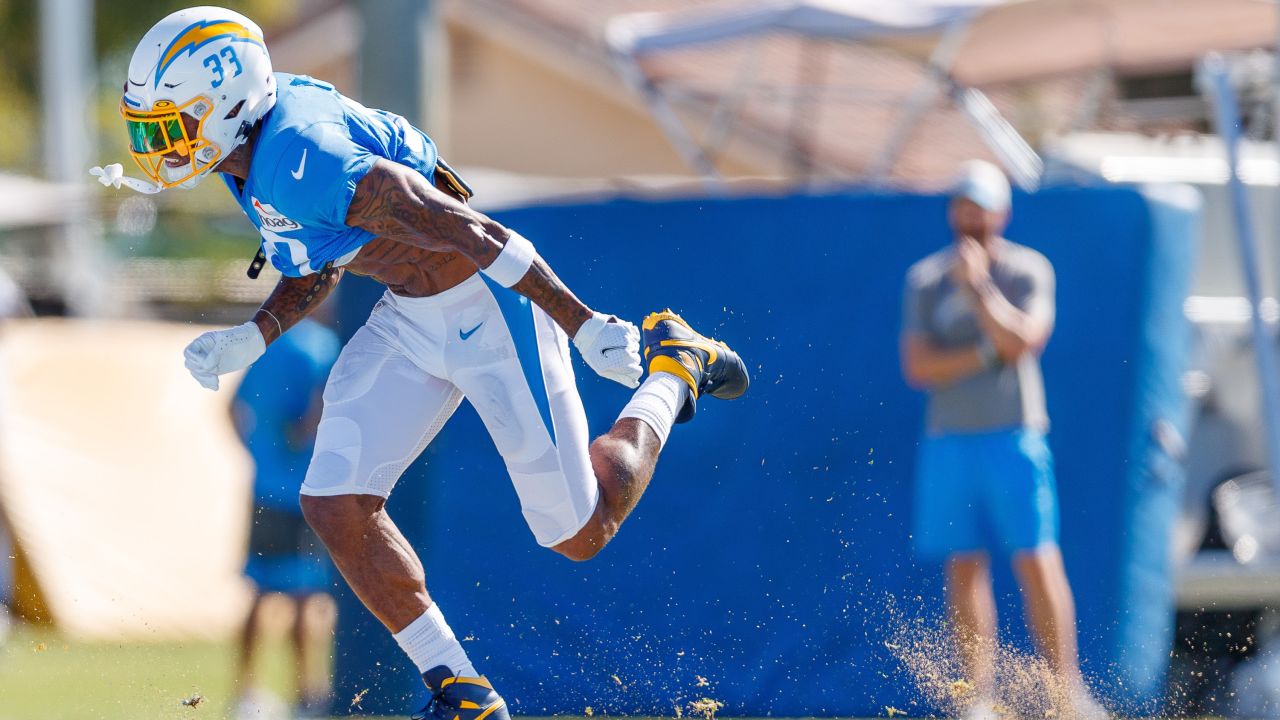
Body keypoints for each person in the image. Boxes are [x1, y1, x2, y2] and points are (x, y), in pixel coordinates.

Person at [94, 8, 748, 720]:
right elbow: (323, 249)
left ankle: (674, 369)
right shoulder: (254, 153)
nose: (161, 146)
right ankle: (463, 693)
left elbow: (468, 229)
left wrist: (582, 322)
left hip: (488, 306)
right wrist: (255, 334)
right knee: (333, 500)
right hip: (412, 316)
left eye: (172, 125)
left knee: (579, 531)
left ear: (226, 103)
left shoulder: (303, 149)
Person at [899, 160, 1103, 719]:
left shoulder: (1027, 270)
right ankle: (978, 700)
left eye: (981, 207)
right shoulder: (924, 279)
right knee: (963, 565)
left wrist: (981, 288)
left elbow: (1025, 339)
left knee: (1037, 560)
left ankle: (1066, 696)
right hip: (950, 440)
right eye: (962, 206)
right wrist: (986, 354)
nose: (971, 218)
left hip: (1015, 436)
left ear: (1001, 213)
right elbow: (919, 365)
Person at [231, 317, 340, 719]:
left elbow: (233, 409)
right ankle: (306, 695)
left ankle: (245, 694)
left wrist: (260, 458)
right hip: (304, 493)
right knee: (303, 594)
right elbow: (313, 415)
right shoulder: (323, 346)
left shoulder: (267, 345)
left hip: (264, 488)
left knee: (259, 590)